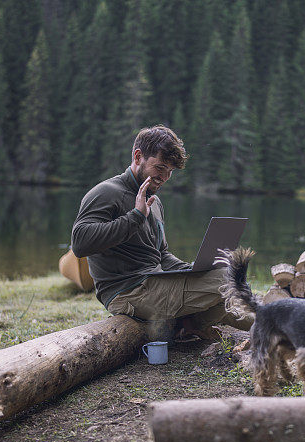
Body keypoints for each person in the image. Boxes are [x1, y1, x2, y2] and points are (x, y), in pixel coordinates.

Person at [71, 125, 251, 340]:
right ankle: (188, 324)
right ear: (138, 156)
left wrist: (191, 269)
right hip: (127, 292)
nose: (164, 177)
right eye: (160, 167)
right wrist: (135, 216)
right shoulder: (107, 193)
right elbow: (80, 243)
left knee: (230, 276)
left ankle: (187, 326)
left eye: (170, 172)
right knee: (225, 279)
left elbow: (161, 255)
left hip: (155, 283)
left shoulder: (154, 202)